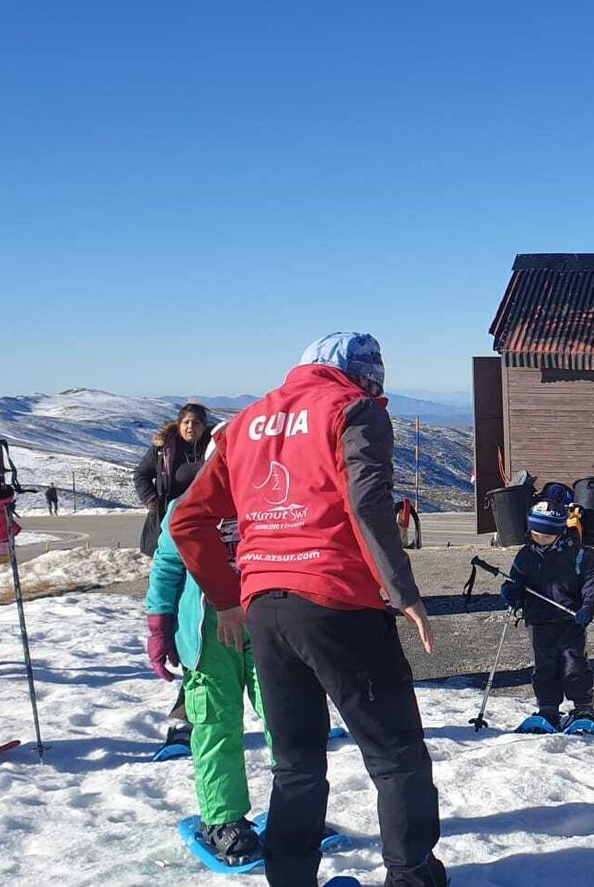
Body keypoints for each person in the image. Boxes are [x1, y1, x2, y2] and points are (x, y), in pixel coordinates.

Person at [171, 332, 446, 887]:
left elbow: (187, 520)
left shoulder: (244, 423)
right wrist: (403, 592)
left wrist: (227, 595)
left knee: (296, 763)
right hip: (338, 601)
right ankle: (412, 875)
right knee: (397, 756)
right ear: (363, 377)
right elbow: (367, 503)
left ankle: (291, 879)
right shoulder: (353, 410)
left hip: (266, 608)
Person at [147, 498, 268, 866]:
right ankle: (224, 818)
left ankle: (296, 806)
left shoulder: (271, 494)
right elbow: (168, 564)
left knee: (287, 720)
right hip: (208, 631)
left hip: (268, 621)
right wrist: (159, 622)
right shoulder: (188, 504)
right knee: (216, 723)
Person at [501, 498, 594, 732]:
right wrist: (511, 592)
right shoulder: (525, 556)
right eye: (536, 535)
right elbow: (515, 580)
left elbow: (592, 581)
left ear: (559, 533)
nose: (540, 540)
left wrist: (588, 606)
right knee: (544, 668)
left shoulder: (578, 555)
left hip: (570, 620)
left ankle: (583, 707)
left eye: (546, 537)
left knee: (574, 666)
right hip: (538, 621)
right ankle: (548, 709)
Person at [134, 402, 213, 554]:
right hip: (169, 518)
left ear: (204, 426)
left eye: (196, 423)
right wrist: (152, 501)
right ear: (179, 425)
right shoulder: (163, 448)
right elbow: (141, 474)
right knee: (169, 564)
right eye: (186, 422)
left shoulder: (213, 448)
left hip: (204, 519)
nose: (191, 427)